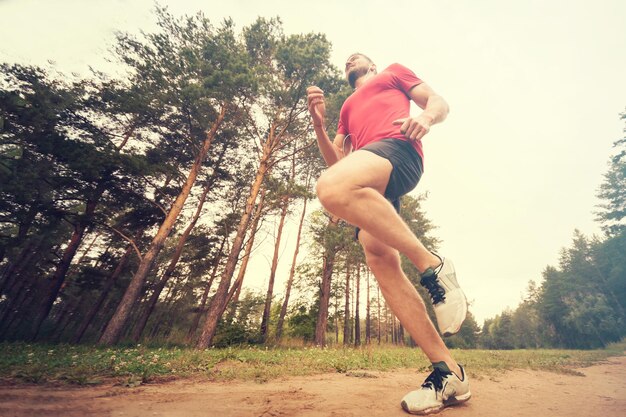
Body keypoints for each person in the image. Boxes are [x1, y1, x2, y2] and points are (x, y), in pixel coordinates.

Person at [306, 53, 471, 415]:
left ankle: (432, 266)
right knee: (377, 253)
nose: (350, 59)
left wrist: (426, 117)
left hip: (399, 149)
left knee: (330, 189)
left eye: (358, 57)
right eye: (346, 60)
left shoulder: (394, 73)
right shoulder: (347, 108)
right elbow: (338, 163)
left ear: (373, 66)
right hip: (371, 173)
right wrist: (319, 126)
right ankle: (449, 373)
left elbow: (438, 101)